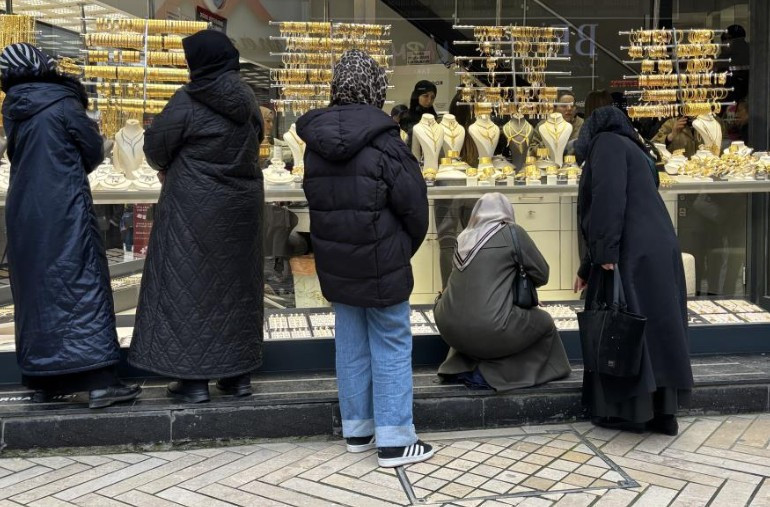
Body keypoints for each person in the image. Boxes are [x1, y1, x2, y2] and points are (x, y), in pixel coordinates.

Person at [297, 49, 432, 468]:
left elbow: (317, 200)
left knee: (351, 341)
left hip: (337, 258)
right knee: (391, 338)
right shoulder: (387, 143)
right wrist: (401, 248)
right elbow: (415, 208)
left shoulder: (314, 145)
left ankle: (358, 430)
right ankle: (394, 439)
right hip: (382, 256)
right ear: (375, 89)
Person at [1, 43, 140, 408]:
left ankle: (46, 380)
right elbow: (93, 151)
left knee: (37, 292)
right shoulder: (63, 103)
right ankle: (99, 382)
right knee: (81, 283)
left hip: (24, 209)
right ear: (46, 67)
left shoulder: (14, 107)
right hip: (64, 205)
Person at [129, 30, 265, 403]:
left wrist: (167, 166)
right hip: (240, 208)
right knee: (236, 289)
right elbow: (257, 138)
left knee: (188, 289)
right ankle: (237, 377)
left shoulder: (187, 100)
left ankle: (192, 382)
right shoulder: (248, 98)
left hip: (193, 207)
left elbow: (157, 148)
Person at [574, 106, 694, 436]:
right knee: (656, 328)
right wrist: (589, 265)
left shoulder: (607, 143)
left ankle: (631, 412)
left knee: (626, 324)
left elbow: (608, 198)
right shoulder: (634, 147)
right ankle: (662, 413)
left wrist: (603, 253)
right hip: (655, 248)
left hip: (631, 249)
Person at [435, 193, 571, 391]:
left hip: (447, 328)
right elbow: (542, 274)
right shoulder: (512, 232)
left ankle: (461, 367)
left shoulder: (463, 236)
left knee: (478, 322)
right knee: (544, 322)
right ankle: (497, 374)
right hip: (490, 328)